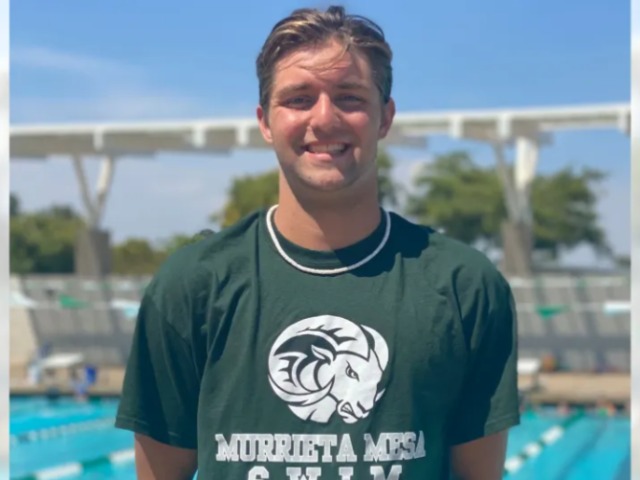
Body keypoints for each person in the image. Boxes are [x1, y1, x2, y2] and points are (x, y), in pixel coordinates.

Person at [115, 5, 519, 479]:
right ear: (265, 121)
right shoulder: (192, 286)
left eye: (349, 98)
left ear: (384, 118)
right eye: (299, 98)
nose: (324, 119)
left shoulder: (464, 287)